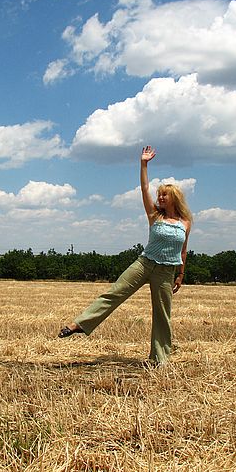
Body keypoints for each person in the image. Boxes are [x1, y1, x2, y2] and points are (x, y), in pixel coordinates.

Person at [57, 145, 192, 366]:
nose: (160, 198)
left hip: (167, 270)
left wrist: (181, 274)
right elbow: (144, 188)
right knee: (115, 293)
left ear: (174, 198)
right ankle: (80, 324)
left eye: (164, 195)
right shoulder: (153, 215)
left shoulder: (185, 223)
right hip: (144, 263)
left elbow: (183, 251)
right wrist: (143, 164)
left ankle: (160, 359)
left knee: (162, 314)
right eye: (159, 195)